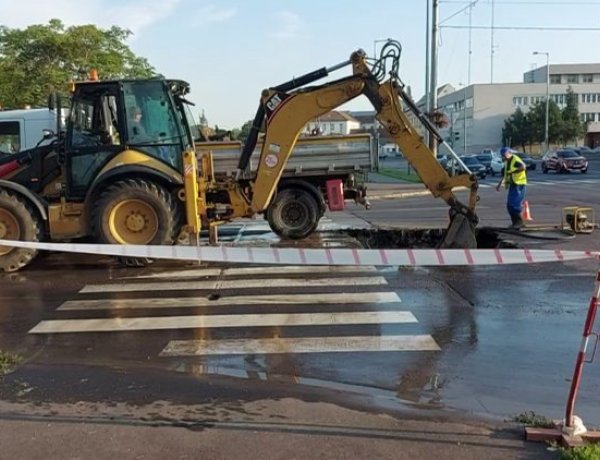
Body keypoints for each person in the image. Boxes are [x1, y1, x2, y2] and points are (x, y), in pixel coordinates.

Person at [495, 147, 527, 228]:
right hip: (513, 185)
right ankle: (515, 223)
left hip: (519, 184)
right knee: (509, 205)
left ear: (509, 153)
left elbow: (523, 167)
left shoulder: (515, 159)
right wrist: (500, 184)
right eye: (502, 156)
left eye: (504, 155)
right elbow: (506, 174)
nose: (503, 157)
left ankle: (519, 223)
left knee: (514, 205)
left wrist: (512, 171)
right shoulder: (507, 162)